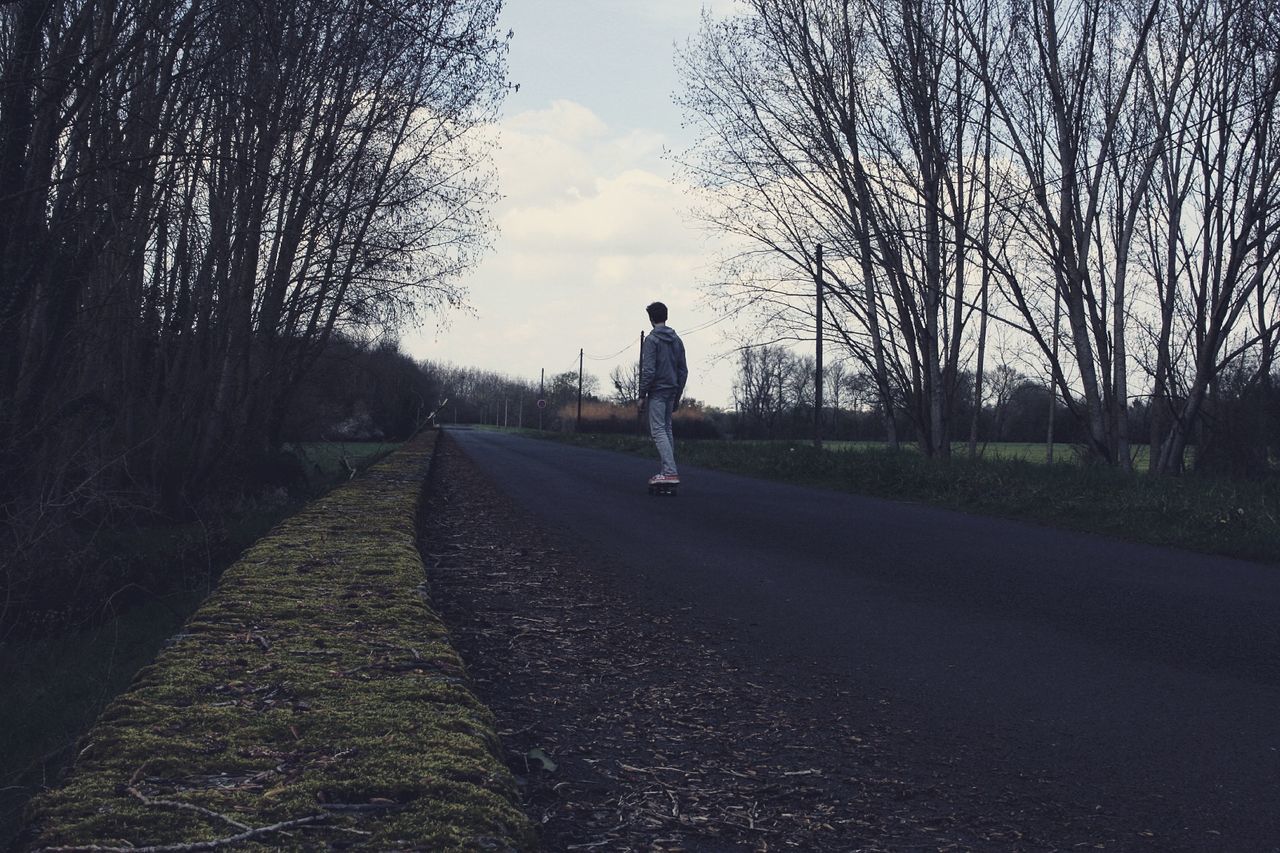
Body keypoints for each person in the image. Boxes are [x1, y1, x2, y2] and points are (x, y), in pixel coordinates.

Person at [638, 301, 688, 486]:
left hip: (657, 391)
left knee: (658, 430)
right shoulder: (677, 340)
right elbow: (683, 370)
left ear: (651, 319)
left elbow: (649, 371)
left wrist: (642, 395)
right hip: (672, 390)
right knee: (666, 430)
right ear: (666, 316)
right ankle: (668, 471)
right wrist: (678, 394)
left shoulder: (651, 340)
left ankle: (669, 472)